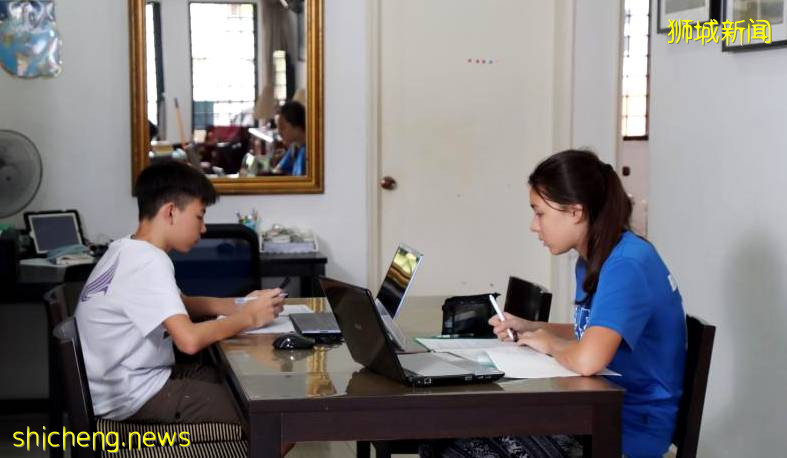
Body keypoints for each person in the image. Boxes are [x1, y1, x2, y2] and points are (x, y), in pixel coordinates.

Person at [423, 150, 687, 458]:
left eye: (540, 213)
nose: (534, 226)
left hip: (624, 431)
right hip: (595, 413)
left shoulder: (626, 265)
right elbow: (594, 333)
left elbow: (589, 359)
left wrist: (549, 343)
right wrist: (533, 328)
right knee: (440, 437)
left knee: (457, 449)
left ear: (575, 212)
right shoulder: (597, 258)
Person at [75, 160, 286, 424]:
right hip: (132, 398)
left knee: (238, 381)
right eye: (199, 216)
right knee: (273, 415)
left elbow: (181, 304)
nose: (204, 228)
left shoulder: (125, 248)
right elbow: (189, 341)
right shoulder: (148, 261)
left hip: (122, 385)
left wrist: (241, 303)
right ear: (171, 212)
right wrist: (250, 317)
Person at [272, 100, 306, 176]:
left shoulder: (309, 153)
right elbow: (277, 170)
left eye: (282, 127)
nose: (279, 132)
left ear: (297, 126)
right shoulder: (295, 147)